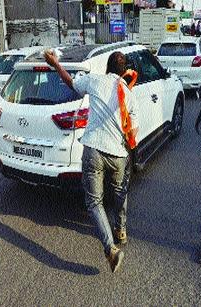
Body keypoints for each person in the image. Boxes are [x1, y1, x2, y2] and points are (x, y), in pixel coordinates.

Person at [44, 50, 139, 273]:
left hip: (94, 150)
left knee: (94, 202)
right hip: (118, 154)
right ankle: (121, 229)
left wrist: (55, 64)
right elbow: (133, 132)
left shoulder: (95, 80)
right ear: (124, 72)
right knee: (119, 193)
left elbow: (71, 83)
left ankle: (111, 250)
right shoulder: (129, 94)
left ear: (107, 68)